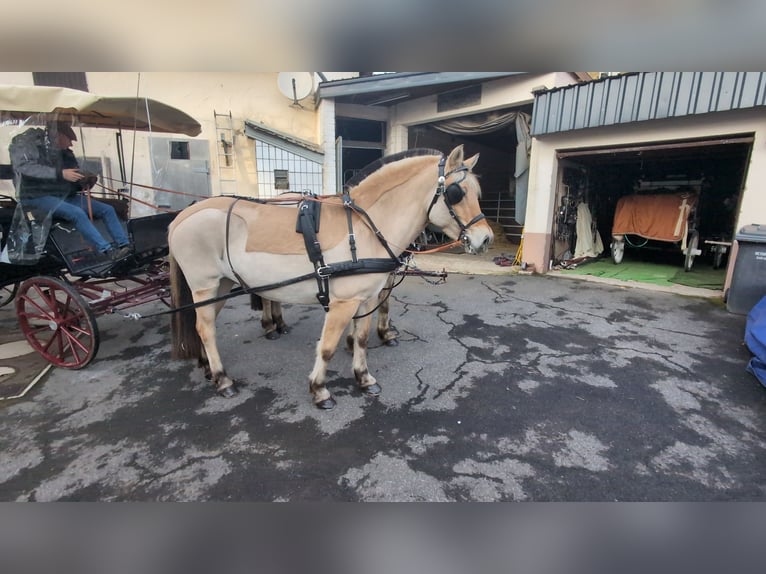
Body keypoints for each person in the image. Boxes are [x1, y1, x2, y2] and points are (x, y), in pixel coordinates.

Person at [9, 120, 131, 261]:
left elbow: (71, 180)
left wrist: (84, 181)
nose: (71, 144)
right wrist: (61, 173)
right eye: (69, 140)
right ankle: (106, 251)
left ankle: (124, 246)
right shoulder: (32, 148)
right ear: (58, 136)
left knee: (107, 209)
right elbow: (27, 169)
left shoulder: (66, 154)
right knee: (77, 213)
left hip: (64, 196)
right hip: (36, 197)